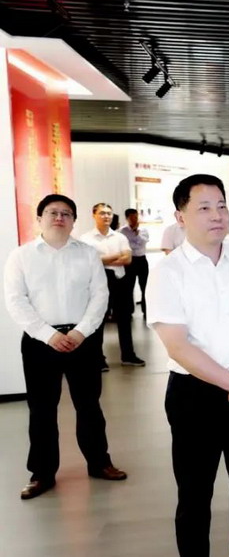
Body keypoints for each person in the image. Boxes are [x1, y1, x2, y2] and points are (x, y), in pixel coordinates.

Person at [147, 175, 229, 557]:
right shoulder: (168, 271)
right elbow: (177, 345)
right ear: (181, 216)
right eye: (204, 207)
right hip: (194, 395)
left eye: (221, 206)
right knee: (194, 493)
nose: (217, 215)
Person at [4, 194, 127, 500]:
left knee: (89, 405)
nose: (59, 217)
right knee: (41, 410)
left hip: (83, 340)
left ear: (74, 221)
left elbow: (100, 295)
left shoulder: (88, 254)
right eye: (52, 212)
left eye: (66, 213)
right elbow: (16, 301)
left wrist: (81, 332)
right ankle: (41, 473)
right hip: (40, 342)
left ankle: (99, 462)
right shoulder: (21, 256)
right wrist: (48, 335)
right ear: (39, 218)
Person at [81, 203, 145, 367]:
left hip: (119, 280)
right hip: (98, 282)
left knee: (124, 319)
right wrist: (116, 255)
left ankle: (128, 355)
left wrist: (101, 259)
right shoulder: (86, 239)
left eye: (109, 213)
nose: (106, 216)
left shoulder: (120, 237)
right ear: (94, 215)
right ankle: (98, 359)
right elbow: (88, 262)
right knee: (98, 320)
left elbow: (128, 259)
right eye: (102, 213)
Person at [120, 208, 150, 317]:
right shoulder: (122, 231)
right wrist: (135, 243)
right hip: (130, 261)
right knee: (128, 287)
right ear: (127, 218)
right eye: (131, 218)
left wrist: (136, 234)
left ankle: (146, 311)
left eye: (136, 217)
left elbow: (143, 242)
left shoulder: (143, 230)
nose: (134, 220)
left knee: (145, 287)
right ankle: (129, 311)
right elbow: (126, 246)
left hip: (142, 260)